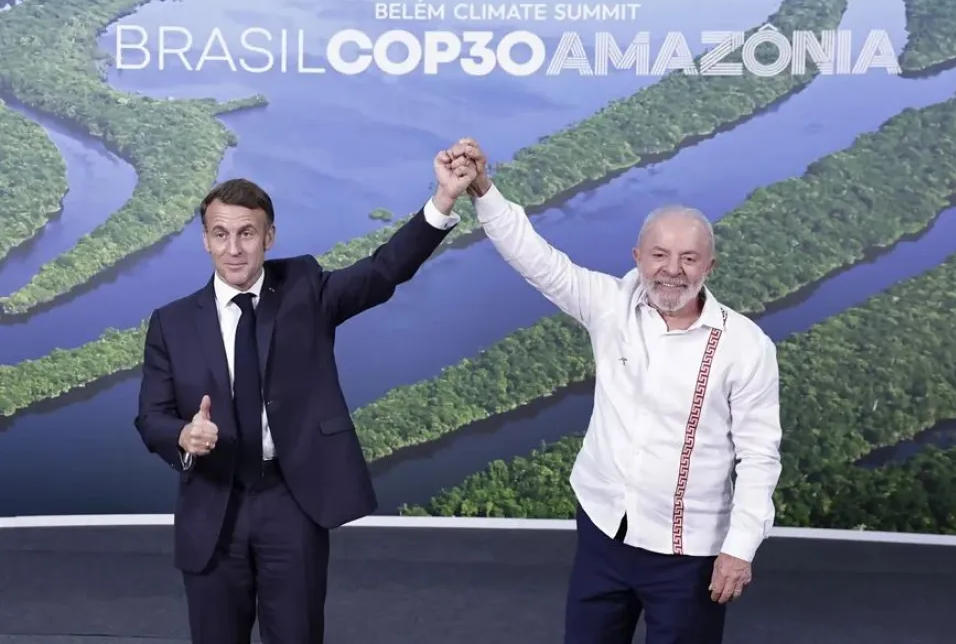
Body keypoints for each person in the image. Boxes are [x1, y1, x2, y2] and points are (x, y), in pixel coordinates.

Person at [133, 145, 477, 644]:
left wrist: (444, 200)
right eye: (221, 234)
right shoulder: (173, 322)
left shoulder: (304, 289)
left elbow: (382, 271)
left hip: (290, 502)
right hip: (212, 503)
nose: (234, 249)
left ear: (269, 237)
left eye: (247, 233)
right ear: (205, 240)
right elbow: (151, 416)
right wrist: (184, 435)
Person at [448, 139, 782, 644]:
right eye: (660, 255)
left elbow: (759, 457)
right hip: (604, 533)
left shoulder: (746, 346)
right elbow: (538, 260)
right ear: (638, 257)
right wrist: (482, 190)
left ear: (709, 267)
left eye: (689, 258)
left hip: (689, 552)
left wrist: (739, 548)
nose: (673, 270)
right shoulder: (611, 305)